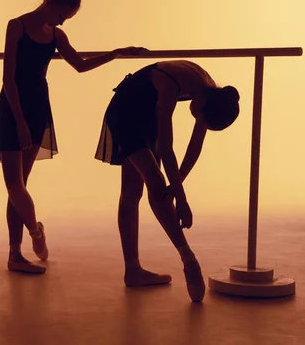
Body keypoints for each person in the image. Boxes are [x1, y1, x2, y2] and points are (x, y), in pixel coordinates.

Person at [0, 0, 145, 274]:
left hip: (38, 107)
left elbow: (80, 65)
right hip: (14, 108)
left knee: (20, 185)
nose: (63, 21)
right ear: (50, 1)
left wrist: (115, 53)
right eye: (62, 15)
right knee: (14, 184)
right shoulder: (17, 26)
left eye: (67, 18)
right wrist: (19, 122)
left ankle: (14, 255)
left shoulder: (56, 36)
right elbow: (8, 78)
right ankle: (35, 231)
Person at [94, 60, 240, 302]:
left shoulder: (211, 94)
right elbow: (166, 147)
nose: (198, 123)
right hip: (125, 113)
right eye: (201, 119)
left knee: (134, 191)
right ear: (203, 105)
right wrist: (180, 198)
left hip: (147, 115)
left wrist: (178, 184)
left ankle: (133, 271)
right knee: (154, 182)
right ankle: (188, 258)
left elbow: (195, 146)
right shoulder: (171, 85)